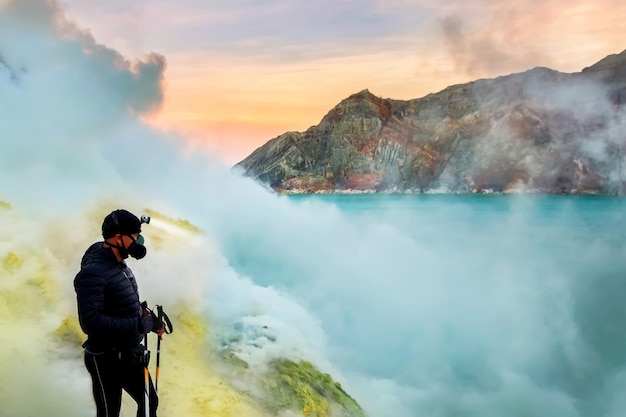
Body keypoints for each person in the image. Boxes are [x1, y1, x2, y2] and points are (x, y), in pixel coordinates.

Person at [74, 209, 165, 417]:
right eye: (135, 237)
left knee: (150, 403)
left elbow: (126, 304)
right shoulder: (93, 273)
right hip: (106, 359)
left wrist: (153, 323)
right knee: (109, 413)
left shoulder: (118, 263)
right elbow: (91, 323)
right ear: (117, 238)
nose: (139, 242)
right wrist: (137, 326)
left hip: (130, 354)